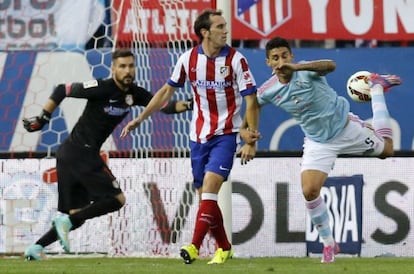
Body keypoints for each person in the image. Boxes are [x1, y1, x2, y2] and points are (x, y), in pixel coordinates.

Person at [22, 49, 192, 260]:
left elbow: (165, 106)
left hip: (71, 154)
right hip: (80, 152)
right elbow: (61, 90)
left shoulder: (135, 94)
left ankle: (36, 248)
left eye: (131, 66)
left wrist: (191, 104)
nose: (127, 71)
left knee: (76, 216)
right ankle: (58, 228)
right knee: (117, 199)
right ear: (113, 69)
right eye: (122, 66)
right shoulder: (101, 88)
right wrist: (43, 119)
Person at [120, 9, 260, 264]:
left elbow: (251, 100)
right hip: (197, 137)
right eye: (219, 27)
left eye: (225, 26)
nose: (225, 31)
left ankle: (194, 247)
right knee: (206, 198)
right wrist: (141, 118)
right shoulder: (188, 59)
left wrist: (251, 139)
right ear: (205, 32)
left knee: (209, 189)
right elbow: (165, 92)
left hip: (226, 135)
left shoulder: (236, 60)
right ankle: (225, 247)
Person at [255, 37, 401, 263]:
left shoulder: (306, 70)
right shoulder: (268, 89)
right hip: (318, 142)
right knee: (309, 190)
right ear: (268, 63)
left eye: (285, 55)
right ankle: (329, 244)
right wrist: (248, 131)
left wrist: (297, 67)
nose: (281, 61)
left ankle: (378, 88)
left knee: (388, 150)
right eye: (275, 58)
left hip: (346, 128)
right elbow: (252, 103)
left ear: (291, 56)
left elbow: (330, 65)